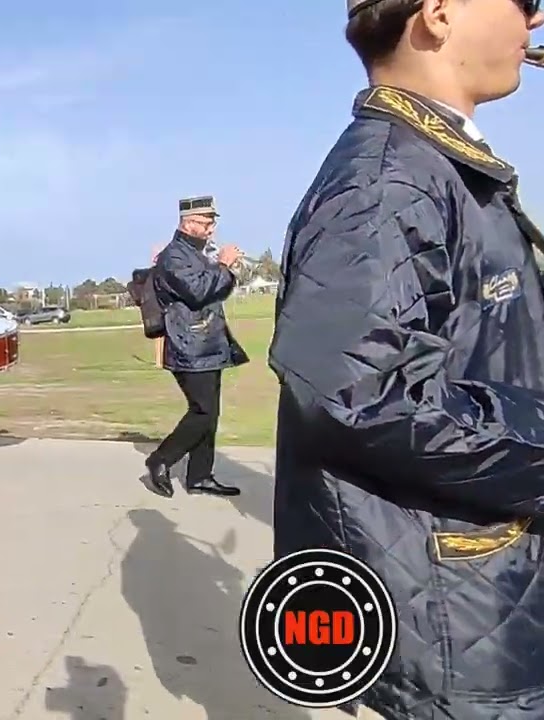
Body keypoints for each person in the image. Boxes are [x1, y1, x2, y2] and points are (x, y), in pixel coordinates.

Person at [270, 2, 544, 718]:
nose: (535, 24)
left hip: (478, 592)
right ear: (440, 14)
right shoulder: (391, 179)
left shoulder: (433, 163)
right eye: (527, 3)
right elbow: (357, 396)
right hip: (459, 615)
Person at [142, 196, 247, 499]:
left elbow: (221, 288)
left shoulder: (194, 254)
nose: (211, 229)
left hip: (207, 343)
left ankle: (200, 476)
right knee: (202, 411)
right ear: (188, 222)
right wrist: (224, 264)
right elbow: (200, 291)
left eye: (212, 222)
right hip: (189, 345)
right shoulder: (174, 256)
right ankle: (160, 460)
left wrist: (223, 270)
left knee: (210, 414)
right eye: (206, 223)